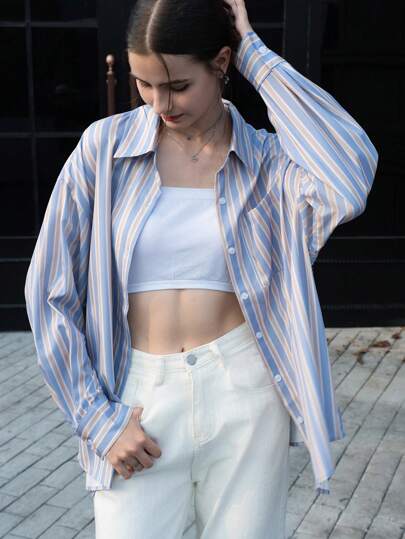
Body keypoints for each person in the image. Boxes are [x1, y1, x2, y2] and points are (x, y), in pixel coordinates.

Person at [24, 0, 378, 537]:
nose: (160, 103)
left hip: (246, 392)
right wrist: (97, 419)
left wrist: (254, 53)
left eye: (178, 86)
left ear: (220, 64)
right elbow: (48, 292)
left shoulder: (269, 163)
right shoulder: (103, 150)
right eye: (144, 84)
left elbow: (349, 174)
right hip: (137, 397)